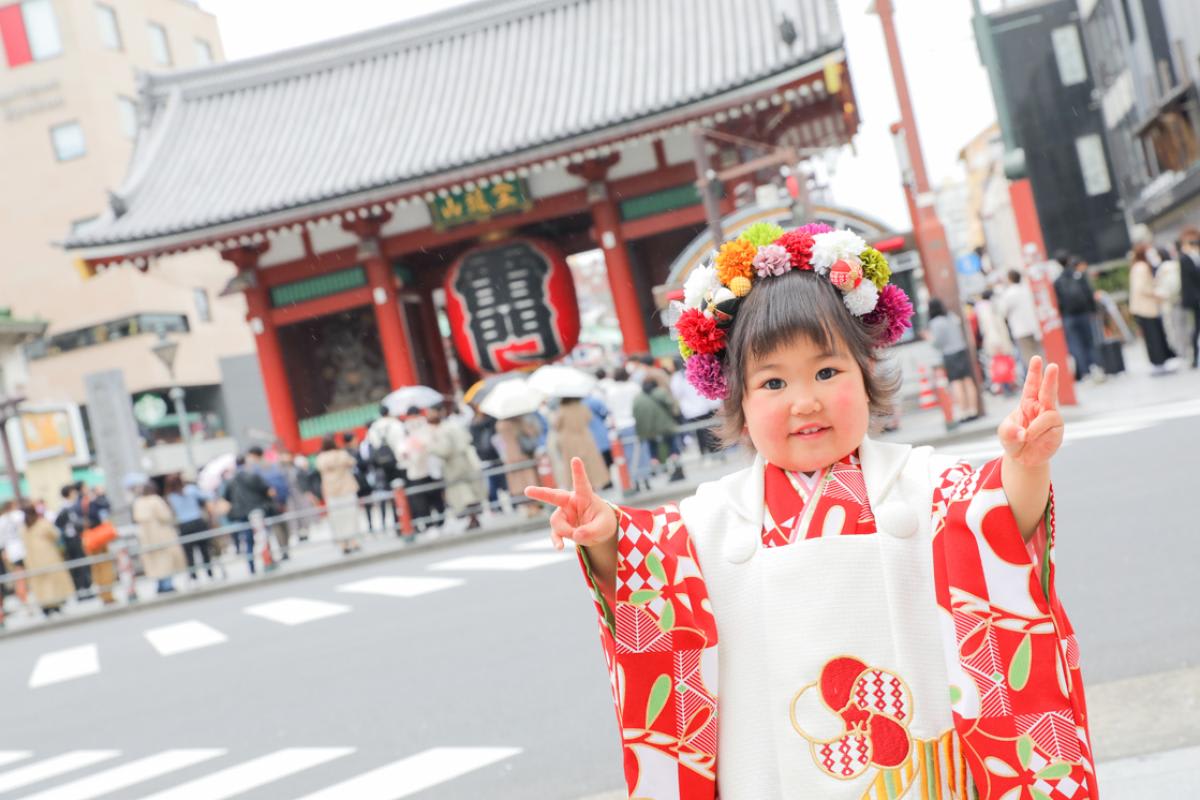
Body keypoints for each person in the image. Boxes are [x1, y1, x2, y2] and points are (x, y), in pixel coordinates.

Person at [526, 224, 1095, 799]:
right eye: (773, 382)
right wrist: (605, 536)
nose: (805, 401)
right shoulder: (714, 521)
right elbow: (646, 563)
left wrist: (1025, 467)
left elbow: (995, 526)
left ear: (866, 373)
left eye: (827, 372)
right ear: (739, 405)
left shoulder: (922, 485)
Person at [427, 405, 486, 529]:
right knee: (470, 490)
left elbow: (444, 450)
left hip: (454, 464)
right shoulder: (453, 425)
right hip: (466, 460)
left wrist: (430, 447)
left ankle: (472, 518)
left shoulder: (442, 430)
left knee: (463, 493)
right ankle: (473, 518)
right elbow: (468, 438)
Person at [925, 298, 981, 423]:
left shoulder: (935, 323)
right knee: (968, 381)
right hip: (961, 350)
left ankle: (964, 412)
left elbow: (938, 343)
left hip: (949, 354)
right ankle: (973, 410)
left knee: (957, 383)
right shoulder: (951, 317)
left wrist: (929, 338)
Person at [223, 450, 276, 574]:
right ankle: (267, 563)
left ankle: (251, 566)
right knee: (262, 537)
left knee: (248, 541)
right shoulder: (253, 475)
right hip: (256, 510)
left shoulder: (231, 481)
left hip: (242, 514)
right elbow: (268, 491)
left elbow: (227, 498)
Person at [1053, 255, 1103, 382]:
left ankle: (1084, 372)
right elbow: (1088, 293)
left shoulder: (1057, 281)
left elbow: (1057, 301)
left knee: (1076, 345)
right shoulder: (1078, 276)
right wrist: (1093, 310)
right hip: (1083, 313)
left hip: (1069, 317)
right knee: (1089, 341)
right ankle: (1095, 367)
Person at [131, 483, 187, 594]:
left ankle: (160, 585)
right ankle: (167, 585)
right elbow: (165, 516)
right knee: (166, 560)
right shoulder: (156, 500)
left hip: (145, 537)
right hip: (161, 534)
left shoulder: (138, 503)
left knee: (153, 562)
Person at [1129, 241, 1176, 373]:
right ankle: (1158, 362)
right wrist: (1156, 293)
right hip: (1146, 308)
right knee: (1153, 336)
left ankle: (1160, 361)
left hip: (1146, 307)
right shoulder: (1141, 267)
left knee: (1153, 336)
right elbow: (1141, 288)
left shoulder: (1139, 266)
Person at [20, 505, 74, 617]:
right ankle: (56, 605)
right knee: (53, 582)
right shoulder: (42, 523)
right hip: (48, 556)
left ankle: (45, 606)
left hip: (32, 559)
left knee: (40, 584)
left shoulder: (23, 527)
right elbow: (55, 534)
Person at [552, 397, 611, 492]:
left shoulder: (562, 410)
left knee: (575, 466)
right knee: (590, 465)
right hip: (585, 438)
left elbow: (555, 426)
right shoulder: (582, 407)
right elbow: (589, 418)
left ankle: (581, 489)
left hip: (569, 441)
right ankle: (593, 488)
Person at [315, 435, 361, 554]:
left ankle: (343, 544)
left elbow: (318, 468)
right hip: (346, 488)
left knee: (337, 518)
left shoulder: (321, 458)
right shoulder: (341, 454)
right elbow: (352, 462)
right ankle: (354, 541)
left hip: (331, 491)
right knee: (350, 514)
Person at [605, 367, 649, 492]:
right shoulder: (634, 387)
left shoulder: (611, 391)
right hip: (637, 422)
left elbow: (610, 410)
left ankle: (634, 481)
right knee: (642, 451)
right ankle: (646, 479)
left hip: (621, 425)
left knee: (628, 455)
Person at [632, 377, 683, 482]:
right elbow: (672, 407)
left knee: (653, 451)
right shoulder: (661, 393)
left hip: (649, 431)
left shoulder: (638, 399)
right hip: (665, 427)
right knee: (673, 448)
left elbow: (635, 414)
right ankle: (677, 470)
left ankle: (655, 469)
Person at [670, 355, 723, 457]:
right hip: (701, 407)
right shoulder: (687, 373)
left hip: (695, 410)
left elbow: (676, 394)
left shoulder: (678, 377)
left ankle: (708, 454)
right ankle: (713, 454)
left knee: (703, 433)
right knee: (708, 431)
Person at [165, 473, 213, 580]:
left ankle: (193, 577)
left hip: (184, 525)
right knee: (204, 550)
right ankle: (210, 573)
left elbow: (171, 513)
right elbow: (208, 496)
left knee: (188, 554)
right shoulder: (191, 490)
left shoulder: (171, 497)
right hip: (198, 522)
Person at [494, 412, 542, 517]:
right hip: (522, 454)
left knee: (518, 484)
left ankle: (527, 508)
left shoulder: (499, 424)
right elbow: (531, 432)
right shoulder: (517, 422)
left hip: (509, 456)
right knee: (529, 481)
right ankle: (534, 507)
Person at [366, 405, 407, 529]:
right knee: (403, 492)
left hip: (384, 464)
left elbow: (372, 444)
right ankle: (406, 520)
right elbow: (402, 443)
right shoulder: (396, 424)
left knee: (392, 495)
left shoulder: (374, 427)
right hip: (399, 462)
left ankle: (397, 523)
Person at [999, 269, 1043, 373]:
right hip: (1034, 325)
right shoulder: (1026, 289)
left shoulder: (1009, 294)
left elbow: (1002, 311)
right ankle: (1044, 375)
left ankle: (1037, 380)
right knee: (1039, 354)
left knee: (1028, 356)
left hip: (1020, 329)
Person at [53, 484, 92, 599]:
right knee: (78, 564)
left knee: (81, 563)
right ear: (69, 493)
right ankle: (82, 590)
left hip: (75, 538)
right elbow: (58, 524)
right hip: (72, 540)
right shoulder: (66, 508)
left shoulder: (69, 506)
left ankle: (85, 588)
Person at [1178, 227, 1200, 368]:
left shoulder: (1192, 257)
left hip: (1196, 298)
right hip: (1195, 299)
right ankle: (1194, 357)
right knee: (1196, 328)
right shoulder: (1185, 258)